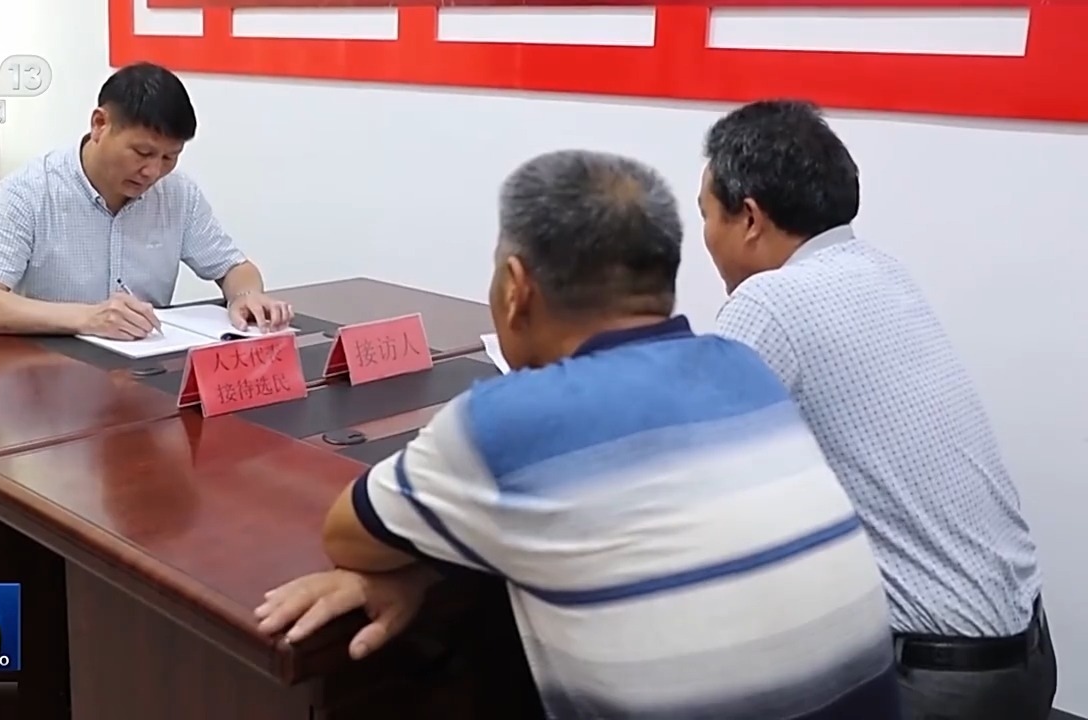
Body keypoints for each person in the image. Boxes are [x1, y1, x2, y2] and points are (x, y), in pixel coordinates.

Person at [256, 149, 904, 719]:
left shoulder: (505, 421)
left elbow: (347, 535)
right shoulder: (745, 372)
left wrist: (423, 562)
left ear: (517, 288)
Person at [699, 99, 1056, 719]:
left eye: (706, 214)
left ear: (750, 218)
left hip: (931, 686)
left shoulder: (772, 301)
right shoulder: (880, 272)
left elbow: (675, 461)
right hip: (1026, 659)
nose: (705, 236)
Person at [0, 62, 292, 338]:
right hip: (51, 374)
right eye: (142, 152)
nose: (153, 172)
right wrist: (87, 318)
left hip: (146, 373)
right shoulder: (27, 192)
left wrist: (245, 297)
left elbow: (235, 268)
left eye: (169, 157)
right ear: (100, 124)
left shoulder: (177, 193)